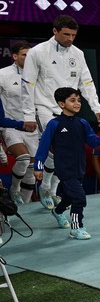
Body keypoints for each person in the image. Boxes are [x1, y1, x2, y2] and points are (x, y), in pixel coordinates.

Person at [22, 15, 100, 210]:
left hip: (69, 110)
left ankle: (52, 190)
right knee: (54, 149)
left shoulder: (77, 53)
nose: (70, 38)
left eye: (73, 35)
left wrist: (96, 108)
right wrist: (27, 115)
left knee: (67, 152)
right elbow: (28, 85)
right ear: (55, 31)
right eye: (66, 34)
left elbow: (87, 83)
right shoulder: (37, 52)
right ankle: (45, 187)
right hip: (44, 108)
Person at [33, 88, 100, 240]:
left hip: (80, 167)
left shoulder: (83, 123)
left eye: (79, 100)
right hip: (64, 169)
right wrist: (38, 166)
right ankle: (76, 227)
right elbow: (43, 147)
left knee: (68, 198)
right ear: (61, 104)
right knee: (79, 198)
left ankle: (57, 212)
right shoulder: (54, 124)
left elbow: (92, 141)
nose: (77, 103)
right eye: (72, 100)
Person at [0, 42, 39, 205]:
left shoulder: (39, 74)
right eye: (24, 54)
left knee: (31, 170)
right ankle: (14, 189)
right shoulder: (2, 74)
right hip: (11, 126)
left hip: (33, 128)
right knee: (23, 159)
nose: (28, 58)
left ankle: (25, 206)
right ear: (15, 56)